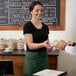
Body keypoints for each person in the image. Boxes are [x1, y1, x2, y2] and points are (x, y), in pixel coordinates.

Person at [23, 1, 53, 76]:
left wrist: (49, 47)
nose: (40, 13)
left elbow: (46, 43)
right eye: (37, 10)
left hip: (44, 59)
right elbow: (30, 45)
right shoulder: (28, 26)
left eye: (41, 10)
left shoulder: (45, 27)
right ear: (31, 12)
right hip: (32, 60)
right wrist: (43, 44)